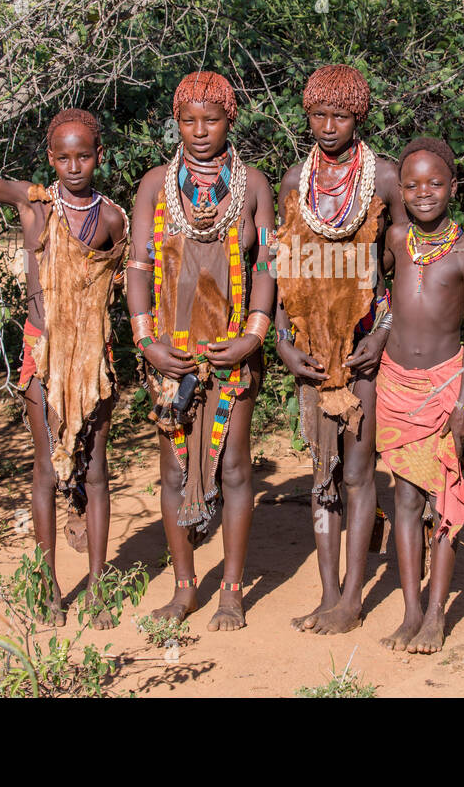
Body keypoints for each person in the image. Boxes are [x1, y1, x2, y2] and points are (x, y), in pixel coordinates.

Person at [0, 52, 129, 627]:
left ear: (98, 157)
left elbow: (132, 285)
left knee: (95, 471)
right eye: (63, 156)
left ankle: (98, 584)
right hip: (42, 350)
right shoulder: (33, 204)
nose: (74, 166)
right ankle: (48, 583)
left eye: (84, 155)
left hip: (92, 356)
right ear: (50, 159)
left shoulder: (115, 220)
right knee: (47, 470)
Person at [126, 71, 276, 631]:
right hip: (172, 354)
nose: (199, 131)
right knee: (172, 470)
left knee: (235, 466)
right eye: (188, 119)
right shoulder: (153, 185)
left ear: (230, 119)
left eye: (210, 119)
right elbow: (137, 268)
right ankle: (185, 587)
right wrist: (147, 342)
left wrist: (253, 336)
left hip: (232, 349)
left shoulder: (253, 184)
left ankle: (232, 590)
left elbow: (268, 264)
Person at [274, 65, 404, 634]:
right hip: (311, 346)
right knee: (320, 471)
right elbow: (279, 270)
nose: (328, 127)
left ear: (361, 117)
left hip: (363, 346)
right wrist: (281, 339)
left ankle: (353, 599)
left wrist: (382, 333)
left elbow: (409, 270)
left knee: (355, 471)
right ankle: (329, 594)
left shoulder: (388, 181)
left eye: (341, 115)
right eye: (319, 115)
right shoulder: (292, 182)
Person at [376, 137, 464, 654]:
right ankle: (410, 611)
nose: (425, 193)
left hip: (444, 388)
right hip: (394, 384)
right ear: (401, 190)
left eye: (436, 183)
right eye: (414, 185)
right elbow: (381, 299)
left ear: (454, 188)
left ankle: (437, 615)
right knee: (402, 498)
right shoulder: (395, 239)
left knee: (443, 503)